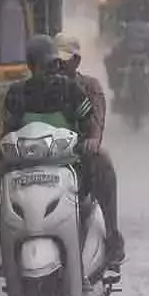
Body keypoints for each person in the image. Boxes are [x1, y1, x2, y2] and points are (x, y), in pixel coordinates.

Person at [53, 32, 125, 267]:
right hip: (44, 155)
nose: (60, 65)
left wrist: (93, 140)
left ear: (76, 61)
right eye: (56, 60)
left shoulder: (88, 87)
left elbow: (96, 120)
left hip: (77, 157)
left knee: (102, 162)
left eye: (65, 60)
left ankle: (113, 236)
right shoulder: (40, 88)